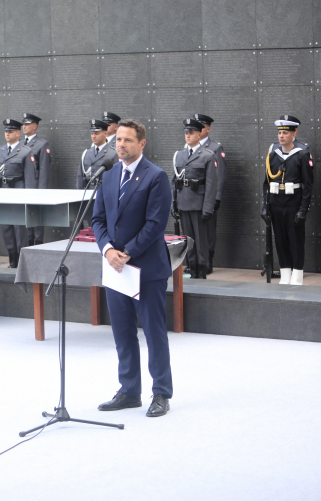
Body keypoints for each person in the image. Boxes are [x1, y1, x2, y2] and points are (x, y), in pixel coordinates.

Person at [91, 119, 173, 418]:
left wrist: (126, 252)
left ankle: (161, 392)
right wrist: (108, 250)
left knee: (153, 333)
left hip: (146, 269)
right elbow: (97, 219)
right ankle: (129, 391)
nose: (121, 145)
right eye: (118, 140)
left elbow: (155, 224)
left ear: (142, 143)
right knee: (123, 333)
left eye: (127, 140)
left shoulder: (156, 176)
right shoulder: (109, 174)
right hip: (116, 268)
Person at [262, 116, 314, 285]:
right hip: (277, 204)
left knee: (296, 241)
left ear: (294, 133)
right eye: (279, 133)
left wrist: (303, 210)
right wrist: (265, 206)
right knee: (281, 240)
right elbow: (266, 183)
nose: (281, 136)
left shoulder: (302, 154)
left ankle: (297, 276)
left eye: (285, 133)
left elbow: (308, 185)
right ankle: (285, 274)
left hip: (293, 204)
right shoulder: (273, 154)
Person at [171, 118, 218, 279]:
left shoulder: (207, 156)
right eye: (186, 133)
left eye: (191, 133)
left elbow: (212, 185)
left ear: (199, 134)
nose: (188, 136)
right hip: (184, 203)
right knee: (188, 240)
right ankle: (192, 268)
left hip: (199, 205)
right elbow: (175, 182)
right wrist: (174, 203)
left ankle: (202, 270)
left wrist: (208, 208)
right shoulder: (179, 155)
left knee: (201, 241)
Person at [0, 118, 37, 268]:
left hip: (18, 194)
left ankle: (20, 261)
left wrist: (29, 200)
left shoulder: (25, 152)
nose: (7, 134)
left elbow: (29, 179)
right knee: (6, 229)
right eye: (6, 132)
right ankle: (12, 259)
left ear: (18, 133)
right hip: (3, 195)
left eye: (11, 131)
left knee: (19, 230)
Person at [192, 114, 227, 274]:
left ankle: (208, 260)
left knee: (208, 231)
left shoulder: (215, 148)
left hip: (208, 197)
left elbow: (220, 174)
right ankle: (194, 261)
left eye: (202, 126)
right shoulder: (190, 149)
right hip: (192, 198)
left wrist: (216, 197)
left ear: (208, 128)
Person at [21, 113, 52, 246]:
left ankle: (38, 244)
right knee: (25, 220)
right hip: (22, 186)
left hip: (35, 187)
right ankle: (26, 245)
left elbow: (44, 170)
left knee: (36, 220)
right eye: (23, 124)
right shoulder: (19, 144)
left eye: (27, 124)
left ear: (35, 126)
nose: (24, 127)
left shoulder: (42, 144)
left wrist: (41, 191)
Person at [77, 119, 118, 190]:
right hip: (87, 194)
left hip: (104, 194)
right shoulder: (86, 153)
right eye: (92, 133)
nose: (93, 136)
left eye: (96, 133)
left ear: (105, 134)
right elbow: (80, 177)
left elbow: (116, 179)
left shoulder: (113, 154)